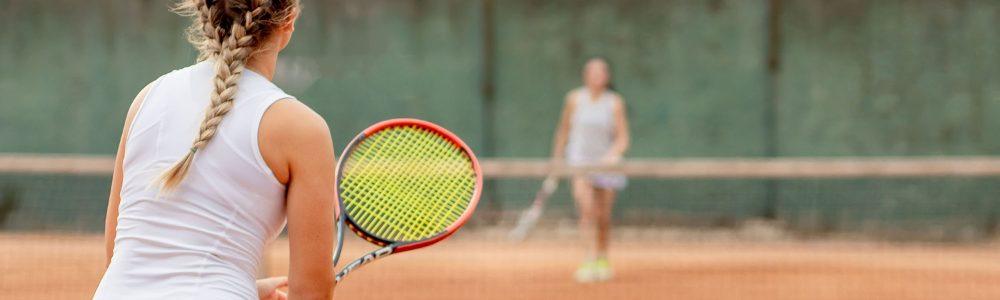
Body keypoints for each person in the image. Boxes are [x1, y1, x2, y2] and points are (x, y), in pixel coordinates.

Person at [94, 1, 336, 299]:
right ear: (289, 20)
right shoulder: (302, 129)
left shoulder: (146, 99)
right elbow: (312, 292)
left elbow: (121, 259)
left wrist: (244, 290)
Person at [551, 57, 631, 283]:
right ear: (585, 76)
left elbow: (623, 138)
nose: (597, 77)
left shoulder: (615, 102)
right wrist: (557, 159)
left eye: (601, 72)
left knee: (603, 217)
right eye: (593, 73)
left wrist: (611, 157)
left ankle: (603, 258)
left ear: (607, 77)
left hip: (607, 166)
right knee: (587, 212)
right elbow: (563, 130)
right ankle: (589, 258)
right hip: (579, 163)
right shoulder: (574, 99)